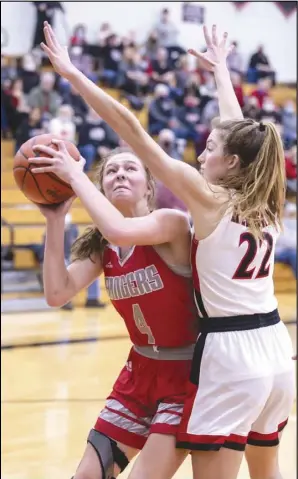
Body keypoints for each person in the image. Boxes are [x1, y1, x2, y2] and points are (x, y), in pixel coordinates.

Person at [40, 22, 295, 479]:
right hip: (276, 348)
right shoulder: (268, 194)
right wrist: (220, 72)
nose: (200, 156)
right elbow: (241, 138)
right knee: (267, 469)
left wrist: (74, 75)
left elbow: (132, 129)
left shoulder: (209, 200)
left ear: (231, 163)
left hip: (230, 350)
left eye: (210, 149)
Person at [29, 143, 199, 479]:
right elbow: (56, 293)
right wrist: (56, 219)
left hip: (187, 375)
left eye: (130, 168)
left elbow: (119, 228)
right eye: (111, 171)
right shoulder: (104, 246)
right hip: (138, 374)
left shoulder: (172, 223)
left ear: (149, 187)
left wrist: (75, 177)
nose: (119, 173)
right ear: (103, 188)